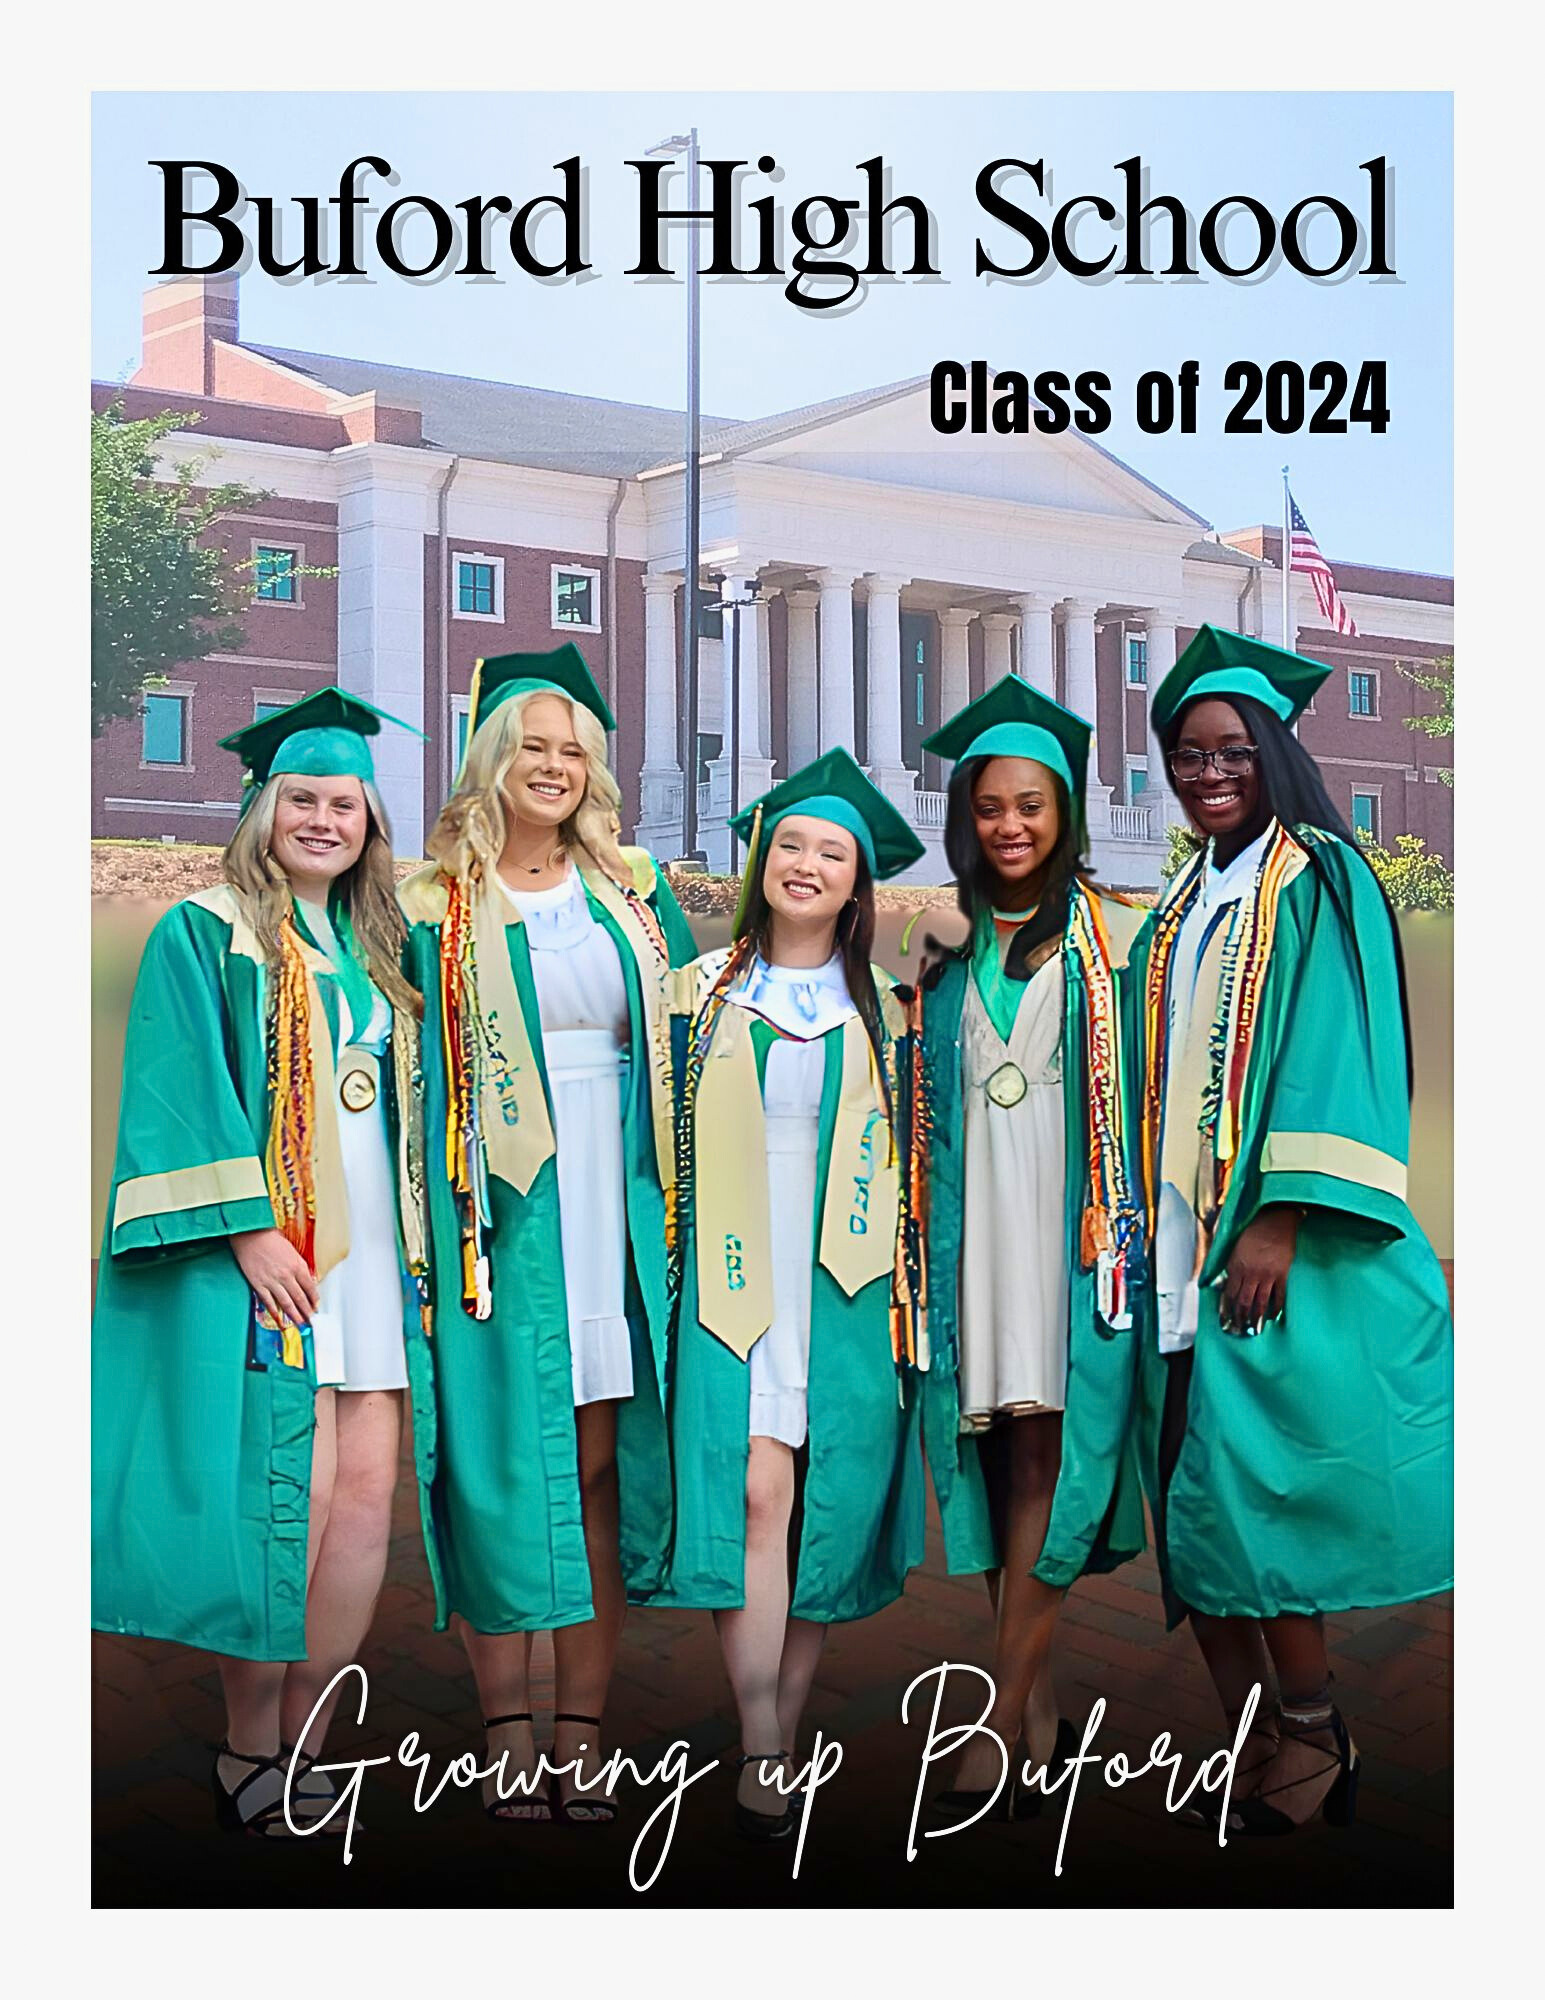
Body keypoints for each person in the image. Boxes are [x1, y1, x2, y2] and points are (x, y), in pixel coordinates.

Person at [92, 688, 430, 1838]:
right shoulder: (211, 927)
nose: (324, 819)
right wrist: (245, 1231)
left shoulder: (386, 946)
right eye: (303, 799)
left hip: (377, 1254)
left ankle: (311, 1740)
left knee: (368, 1501)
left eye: (346, 804)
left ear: (372, 823)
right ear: (262, 807)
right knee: (292, 1495)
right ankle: (247, 1744)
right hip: (282, 1252)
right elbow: (178, 1079)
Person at [1134, 625, 1453, 1833]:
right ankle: (1250, 1734)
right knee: (1189, 1488)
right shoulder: (1182, 899)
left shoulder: (1320, 874)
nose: (1207, 771)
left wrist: (1274, 1215)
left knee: (1260, 1482)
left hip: (1257, 1235)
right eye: (1185, 754)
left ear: (1272, 749)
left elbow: (1338, 1054)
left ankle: (1316, 1726)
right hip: (1163, 1232)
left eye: (1229, 750)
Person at [400, 643, 695, 1825]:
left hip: (616, 1195)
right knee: (498, 1466)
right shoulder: (431, 899)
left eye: (575, 750)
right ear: (491, 756)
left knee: (593, 1464)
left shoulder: (631, 887)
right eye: (533, 744)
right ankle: (505, 1734)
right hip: (494, 1206)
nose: (557, 766)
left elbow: (695, 1023)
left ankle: (581, 1728)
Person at [646, 749, 931, 1842]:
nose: (807, 864)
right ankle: (762, 1740)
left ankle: (788, 1722)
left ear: (860, 884)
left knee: (825, 1503)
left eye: (834, 852)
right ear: (762, 858)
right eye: (792, 844)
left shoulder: (893, 1015)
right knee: (759, 1491)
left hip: (848, 1286)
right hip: (732, 1272)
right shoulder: (695, 993)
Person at [910, 678, 1150, 1825]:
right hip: (973, 1233)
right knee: (999, 1461)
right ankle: (1038, 1698)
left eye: (1033, 806)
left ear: (1066, 815)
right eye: (992, 807)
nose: (1011, 825)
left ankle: (1000, 1714)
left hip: (1066, 1231)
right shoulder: (945, 947)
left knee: (1047, 1461)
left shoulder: (1113, 938)